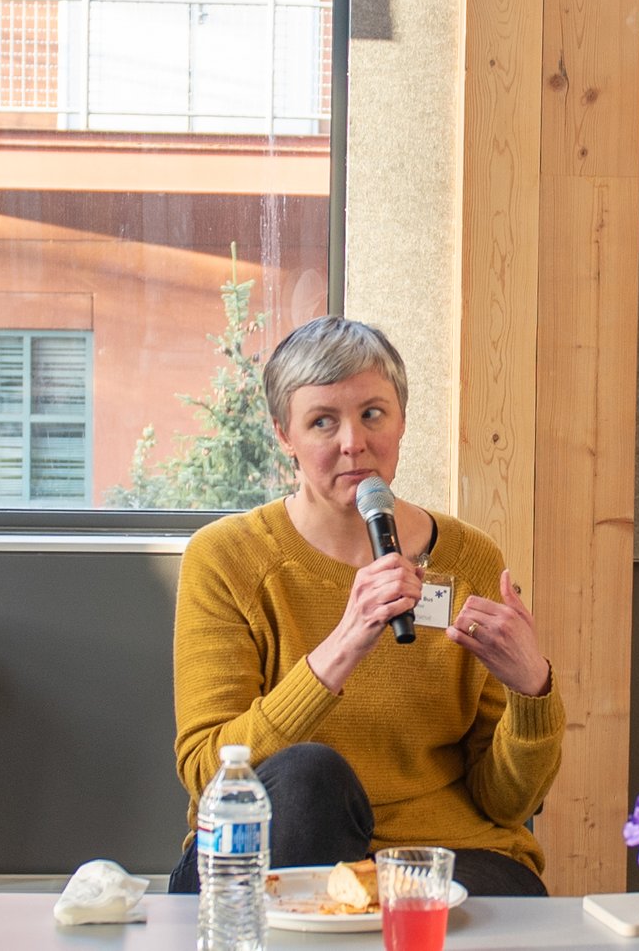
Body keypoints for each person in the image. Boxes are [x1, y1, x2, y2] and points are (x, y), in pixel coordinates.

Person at [170, 316, 562, 898]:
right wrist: (342, 645)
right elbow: (210, 775)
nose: (352, 441)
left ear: (401, 420)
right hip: (280, 847)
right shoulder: (227, 558)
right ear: (285, 436)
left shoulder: (471, 558)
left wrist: (532, 691)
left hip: (439, 856)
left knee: (498, 900)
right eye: (322, 421)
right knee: (310, 776)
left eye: (372, 414)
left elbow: (507, 803)